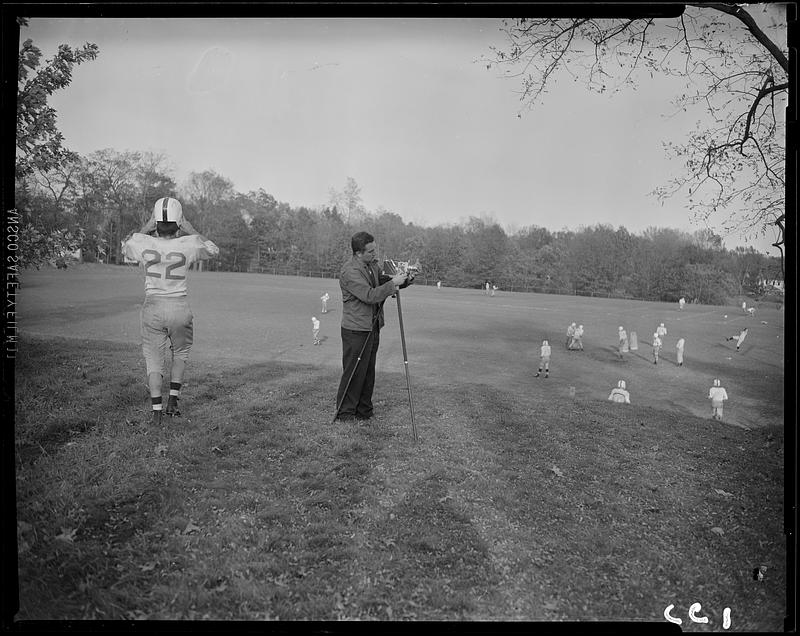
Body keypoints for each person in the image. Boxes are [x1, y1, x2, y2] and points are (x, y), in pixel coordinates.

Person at [121, 197, 219, 425]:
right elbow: (213, 250)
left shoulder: (141, 242)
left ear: (156, 222)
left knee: (153, 360)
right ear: (179, 223)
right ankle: (172, 402)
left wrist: (146, 227)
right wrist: (191, 229)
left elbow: (124, 248)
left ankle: (156, 412)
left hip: (153, 306)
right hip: (179, 306)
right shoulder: (190, 243)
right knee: (181, 353)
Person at [335, 231, 413, 422]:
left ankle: (364, 410)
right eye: (370, 252)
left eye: (374, 250)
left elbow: (385, 282)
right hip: (356, 329)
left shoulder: (372, 265)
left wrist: (405, 278)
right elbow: (370, 295)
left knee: (368, 370)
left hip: (372, 325)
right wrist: (392, 284)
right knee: (354, 370)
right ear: (358, 253)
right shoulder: (350, 272)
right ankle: (345, 412)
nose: (374, 254)